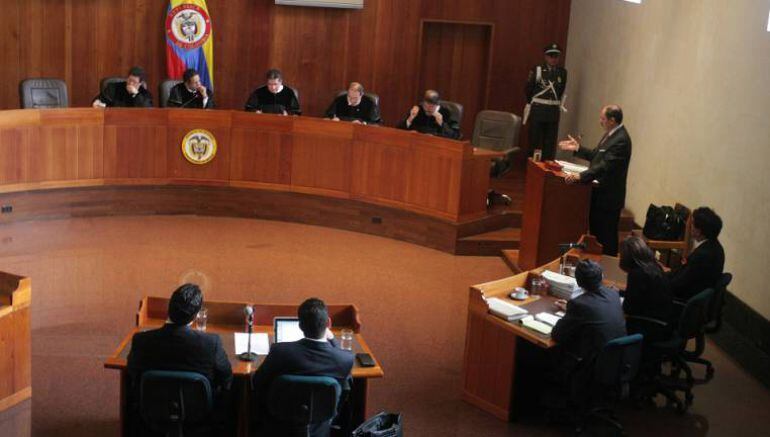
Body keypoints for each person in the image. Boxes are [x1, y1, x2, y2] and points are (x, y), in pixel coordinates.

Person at [127, 283, 233, 432]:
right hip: (199, 410)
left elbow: (132, 372)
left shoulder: (141, 340)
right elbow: (226, 376)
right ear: (195, 315)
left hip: (154, 407)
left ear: (169, 308)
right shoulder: (211, 343)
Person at [252, 297, 354, 436]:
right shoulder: (344, 359)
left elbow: (257, 382)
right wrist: (332, 340)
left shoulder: (280, 351)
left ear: (300, 326)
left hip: (280, 422)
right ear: (328, 323)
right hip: (320, 426)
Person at [559, 105, 632, 256]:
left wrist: (581, 176)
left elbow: (605, 166)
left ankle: (608, 265)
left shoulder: (621, 140)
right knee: (597, 235)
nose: (600, 121)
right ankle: (597, 264)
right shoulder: (611, 135)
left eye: (602, 119)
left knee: (606, 237)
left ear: (612, 120)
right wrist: (577, 148)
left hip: (608, 198)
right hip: (599, 195)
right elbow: (596, 156)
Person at [619, 236, 673, 338]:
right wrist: (619, 292)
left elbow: (628, 308)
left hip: (651, 326)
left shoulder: (637, 274)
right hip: (665, 322)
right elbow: (643, 295)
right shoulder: (655, 266)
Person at [667, 207, 725, 301]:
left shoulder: (703, 255)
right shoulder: (716, 248)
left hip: (679, 298)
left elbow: (678, 284)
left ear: (699, 231)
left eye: (692, 224)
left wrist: (660, 276)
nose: (690, 226)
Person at [525, 43, 567, 161]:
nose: (554, 59)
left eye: (556, 56)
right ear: (546, 56)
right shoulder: (537, 70)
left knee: (550, 142)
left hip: (552, 112)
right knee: (535, 140)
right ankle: (533, 165)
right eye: (551, 56)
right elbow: (528, 89)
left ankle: (547, 166)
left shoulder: (562, 72)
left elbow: (560, 91)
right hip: (538, 110)